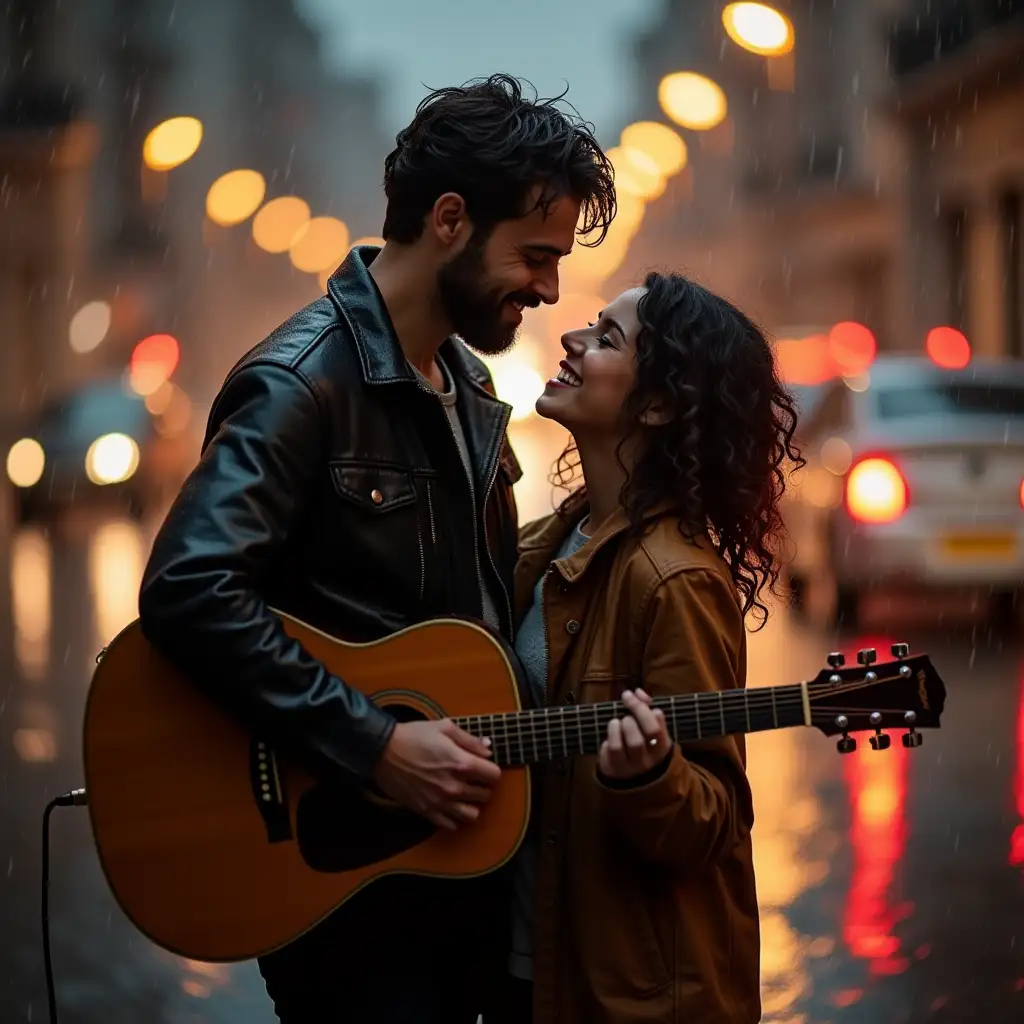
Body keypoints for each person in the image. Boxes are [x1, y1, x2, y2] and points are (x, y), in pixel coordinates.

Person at [136, 73, 615, 1023]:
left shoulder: (473, 391)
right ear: (448, 219)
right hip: (338, 864)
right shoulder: (302, 383)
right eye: (534, 255)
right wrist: (373, 743)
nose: (551, 288)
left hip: (450, 864)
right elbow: (190, 588)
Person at [492, 272, 803, 1023]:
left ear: (657, 404)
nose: (571, 340)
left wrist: (650, 776)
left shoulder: (675, 580)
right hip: (534, 966)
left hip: (624, 996)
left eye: (604, 339)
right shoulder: (552, 543)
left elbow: (716, 816)